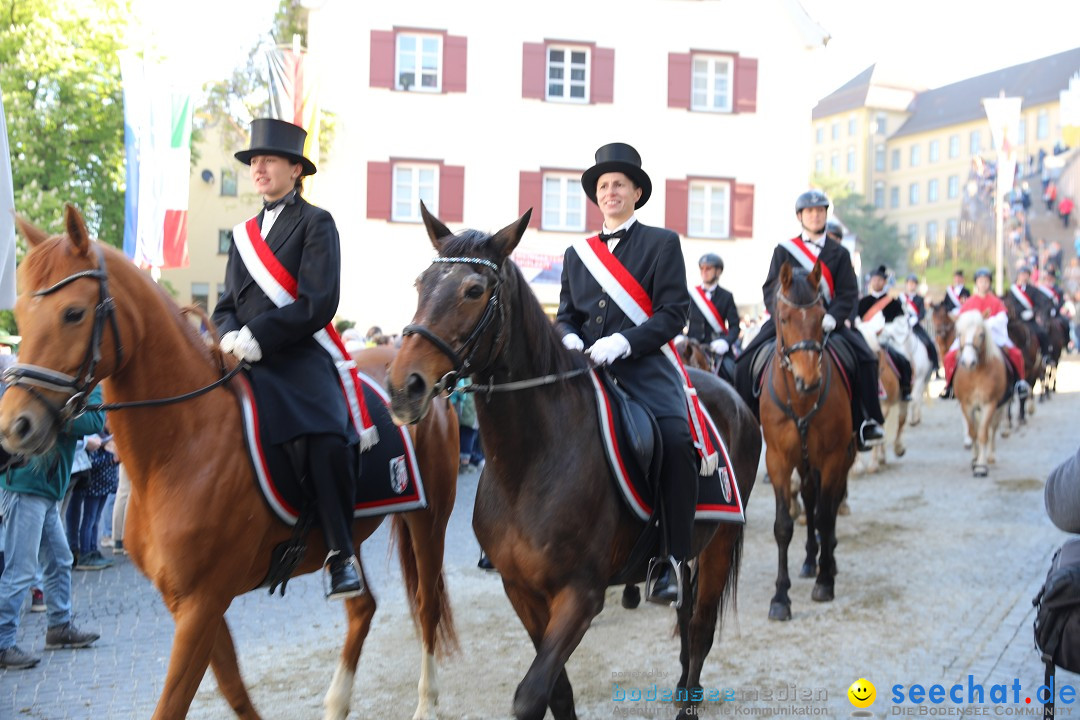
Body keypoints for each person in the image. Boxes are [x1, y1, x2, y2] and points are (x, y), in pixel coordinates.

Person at [213, 118, 367, 600]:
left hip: (299, 355)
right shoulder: (242, 236)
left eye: (268, 160)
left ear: (295, 168)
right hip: (242, 357)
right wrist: (226, 337)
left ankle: (340, 553)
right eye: (253, 161)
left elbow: (319, 301)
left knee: (325, 435)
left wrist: (260, 333)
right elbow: (223, 307)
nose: (258, 168)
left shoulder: (317, 223)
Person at [557, 142, 709, 607]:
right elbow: (566, 315)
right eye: (603, 186)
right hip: (586, 370)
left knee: (677, 441)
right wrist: (566, 338)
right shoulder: (577, 254)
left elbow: (672, 314)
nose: (610, 192)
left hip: (644, 367)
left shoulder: (662, 243)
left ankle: (671, 558)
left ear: (636, 192)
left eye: (618, 184)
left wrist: (624, 341)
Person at [734, 190, 886, 451]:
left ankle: (866, 422)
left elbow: (848, 292)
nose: (815, 216)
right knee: (744, 360)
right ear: (800, 216)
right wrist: (783, 314)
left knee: (866, 358)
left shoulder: (839, 253)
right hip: (789, 321)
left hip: (825, 323)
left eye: (820, 211)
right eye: (810, 211)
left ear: (826, 214)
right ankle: (745, 423)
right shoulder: (784, 250)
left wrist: (834, 318)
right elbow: (771, 287)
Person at [0, 384, 105, 669]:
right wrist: (86, 394)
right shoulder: (62, 380)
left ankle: (59, 627)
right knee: (20, 570)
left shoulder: (61, 381)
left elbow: (90, 419)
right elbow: (94, 420)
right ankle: (2, 643)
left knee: (60, 559)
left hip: (41, 488)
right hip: (27, 486)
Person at [941, 268, 1029, 398]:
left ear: (990, 283)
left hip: (993, 335)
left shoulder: (996, 301)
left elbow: (1003, 318)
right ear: (976, 283)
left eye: (986, 281)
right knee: (949, 356)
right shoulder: (970, 302)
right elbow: (961, 319)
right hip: (971, 337)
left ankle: (1019, 383)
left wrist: (987, 323)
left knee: (1016, 353)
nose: (983, 284)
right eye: (981, 281)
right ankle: (949, 385)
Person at [856, 265, 913, 402]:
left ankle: (905, 389)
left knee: (903, 360)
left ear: (885, 282)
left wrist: (885, 330)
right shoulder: (862, 302)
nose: (876, 282)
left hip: (886, 340)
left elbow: (900, 323)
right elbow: (857, 321)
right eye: (874, 279)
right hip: (866, 339)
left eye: (879, 280)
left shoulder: (893, 303)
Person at [685, 253, 740, 382]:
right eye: (702, 268)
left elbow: (735, 327)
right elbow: (680, 319)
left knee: (733, 373)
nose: (704, 272)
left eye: (708, 268)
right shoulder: (691, 295)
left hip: (716, 350)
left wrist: (725, 342)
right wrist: (679, 336)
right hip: (691, 347)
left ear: (718, 271)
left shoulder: (727, 296)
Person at [1009, 265, 1052, 360]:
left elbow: (1042, 302)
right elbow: (1010, 304)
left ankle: (1045, 356)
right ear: (1018, 275)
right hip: (1016, 321)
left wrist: (1033, 312)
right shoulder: (1012, 290)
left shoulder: (1033, 290)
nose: (1024, 276)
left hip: (1030, 321)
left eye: (1026, 274)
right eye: (1022, 274)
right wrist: (1018, 313)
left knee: (1042, 333)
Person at [898, 273, 939, 370]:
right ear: (906, 284)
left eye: (913, 283)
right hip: (903, 326)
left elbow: (922, 313)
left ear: (916, 285)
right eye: (909, 283)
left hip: (915, 326)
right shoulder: (901, 298)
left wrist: (915, 319)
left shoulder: (920, 299)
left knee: (929, 342)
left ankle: (935, 366)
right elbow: (897, 311)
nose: (911, 285)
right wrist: (904, 319)